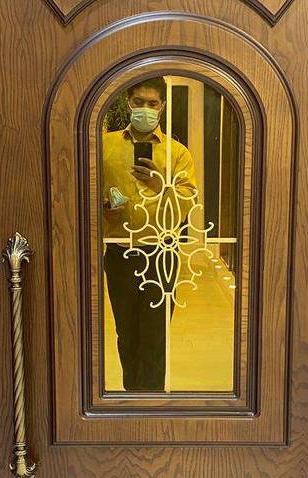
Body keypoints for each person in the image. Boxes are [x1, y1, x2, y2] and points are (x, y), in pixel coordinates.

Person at [101, 76, 198, 392]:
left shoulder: (177, 153)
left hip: (161, 254)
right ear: (129, 103)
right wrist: (104, 208)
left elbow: (187, 203)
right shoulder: (104, 146)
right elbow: (84, 191)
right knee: (126, 334)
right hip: (119, 251)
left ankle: (152, 402)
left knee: (155, 337)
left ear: (162, 106)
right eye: (139, 102)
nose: (145, 109)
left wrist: (161, 185)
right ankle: (133, 399)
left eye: (152, 103)